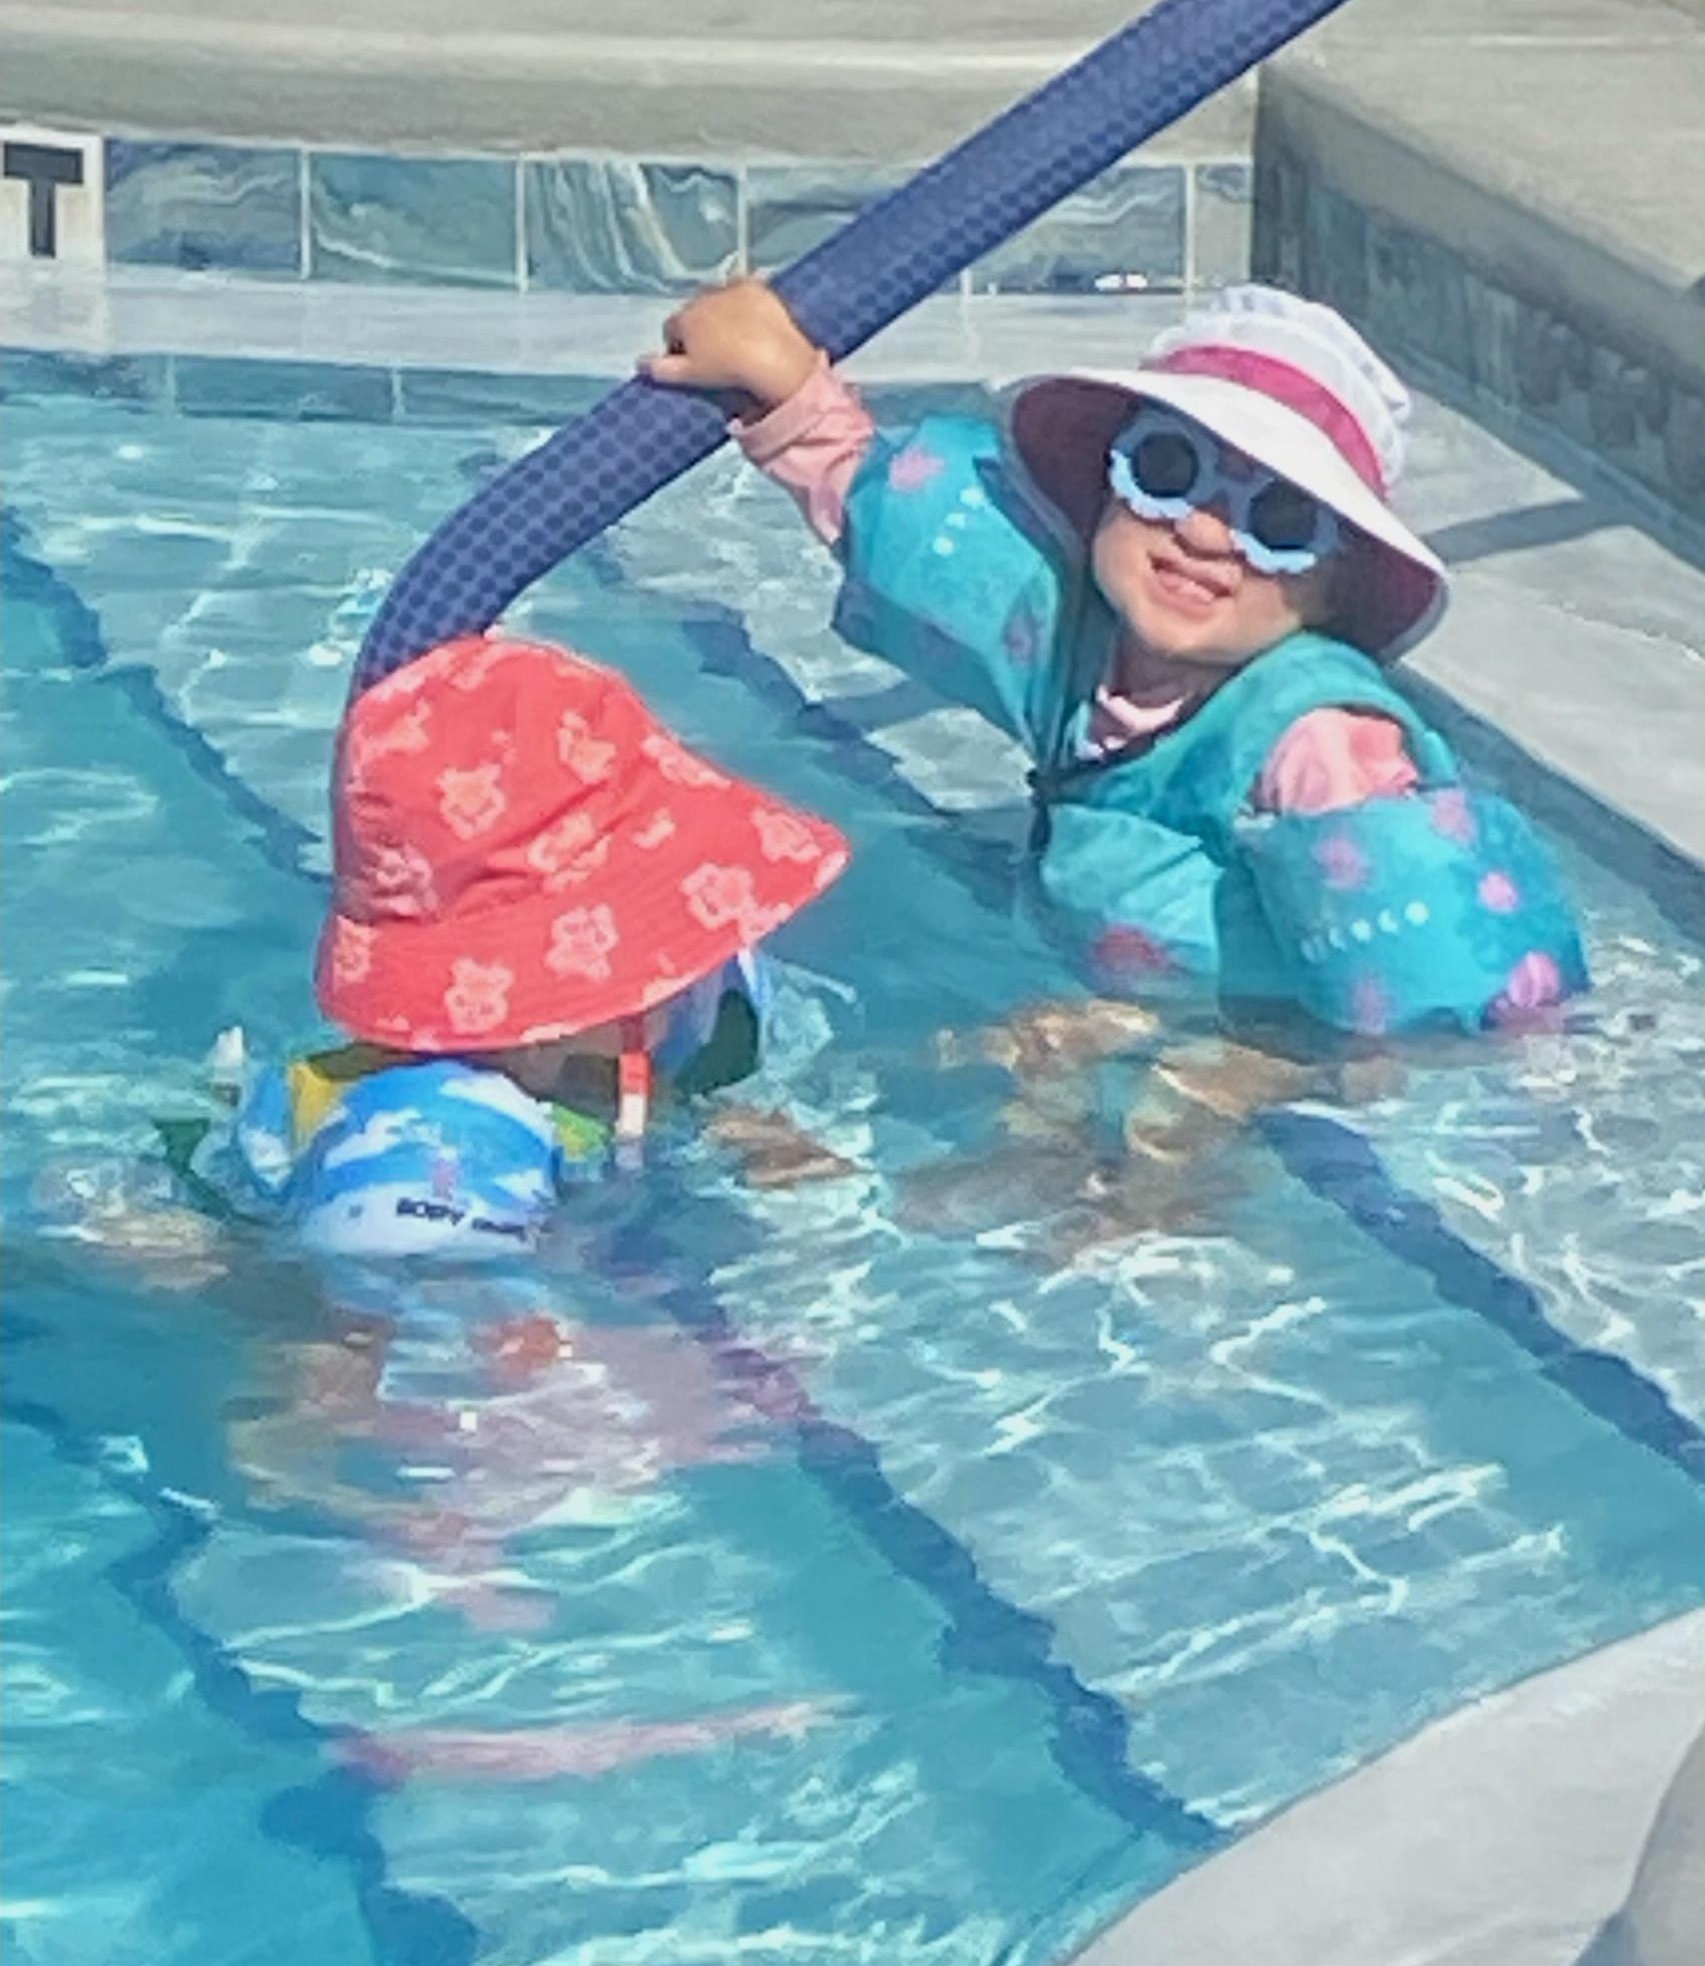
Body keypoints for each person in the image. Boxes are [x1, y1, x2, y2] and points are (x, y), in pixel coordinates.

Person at [641, 276, 1585, 1069]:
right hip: (1105, 993)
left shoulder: (1317, 737)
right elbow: (903, 526)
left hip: (1251, 1046)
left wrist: (1249, 1072)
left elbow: (1443, 972)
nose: (1208, 535)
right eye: (1170, 471)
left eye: (1282, 523)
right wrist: (785, 384)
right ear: (1102, 488)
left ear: (1335, 591)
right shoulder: (1070, 636)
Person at [186, 631, 852, 1265]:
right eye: (664, 964)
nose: (689, 983)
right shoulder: (418, 1140)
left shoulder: (588, 1072)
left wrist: (754, 1141)